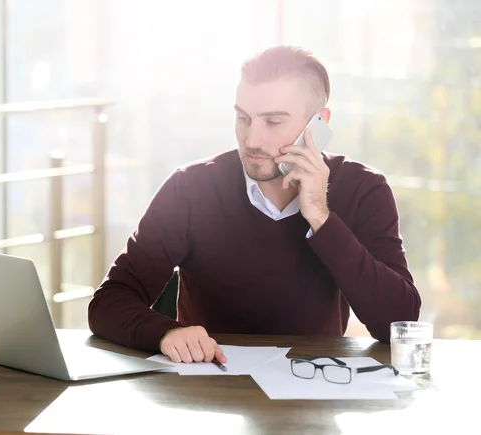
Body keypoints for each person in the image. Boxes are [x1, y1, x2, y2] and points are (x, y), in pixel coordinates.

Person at [88, 45, 421, 365]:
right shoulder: (190, 188)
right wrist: (166, 333)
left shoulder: (363, 189)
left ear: (319, 123)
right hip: (208, 387)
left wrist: (321, 216)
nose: (252, 140)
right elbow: (108, 302)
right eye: (243, 118)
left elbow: (399, 323)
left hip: (314, 387)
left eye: (273, 122)